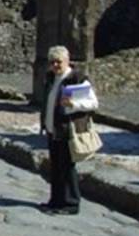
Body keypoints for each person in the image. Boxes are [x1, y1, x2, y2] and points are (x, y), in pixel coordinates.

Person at [38, 45, 98, 215]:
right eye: (52, 62)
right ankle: (55, 201)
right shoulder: (51, 77)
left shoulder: (77, 79)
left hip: (67, 130)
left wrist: (74, 104)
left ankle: (71, 203)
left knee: (67, 168)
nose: (56, 65)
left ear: (67, 61)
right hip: (53, 130)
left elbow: (94, 103)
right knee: (55, 168)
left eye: (59, 62)